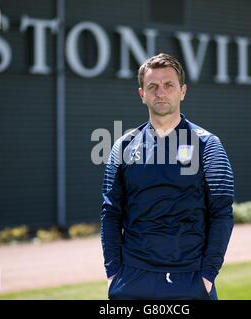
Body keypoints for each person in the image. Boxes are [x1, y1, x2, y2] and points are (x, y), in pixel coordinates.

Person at [100, 53, 234, 300]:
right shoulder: (122, 147)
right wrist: (113, 273)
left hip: (190, 280)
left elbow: (222, 213)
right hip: (132, 281)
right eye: (152, 86)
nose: (160, 92)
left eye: (168, 85)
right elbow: (111, 214)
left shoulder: (209, 145)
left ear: (183, 91)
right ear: (142, 94)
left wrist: (207, 275)